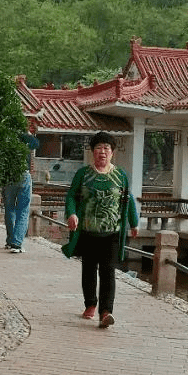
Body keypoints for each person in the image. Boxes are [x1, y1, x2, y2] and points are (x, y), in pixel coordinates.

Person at [62, 131, 139, 329]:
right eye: (98, 148)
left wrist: (134, 223)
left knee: (108, 271)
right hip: (88, 231)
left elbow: (127, 200)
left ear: (112, 153)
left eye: (106, 148)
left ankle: (106, 312)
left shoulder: (121, 176)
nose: (102, 152)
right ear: (92, 152)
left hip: (112, 233)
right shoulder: (84, 174)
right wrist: (72, 214)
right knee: (88, 269)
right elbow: (71, 196)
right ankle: (90, 304)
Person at [3, 124, 40, 253]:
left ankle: (9, 240)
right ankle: (17, 243)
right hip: (23, 174)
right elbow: (36, 144)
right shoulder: (25, 137)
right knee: (23, 210)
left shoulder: (6, 137)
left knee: (9, 208)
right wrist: (28, 133)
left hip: (8, 175)